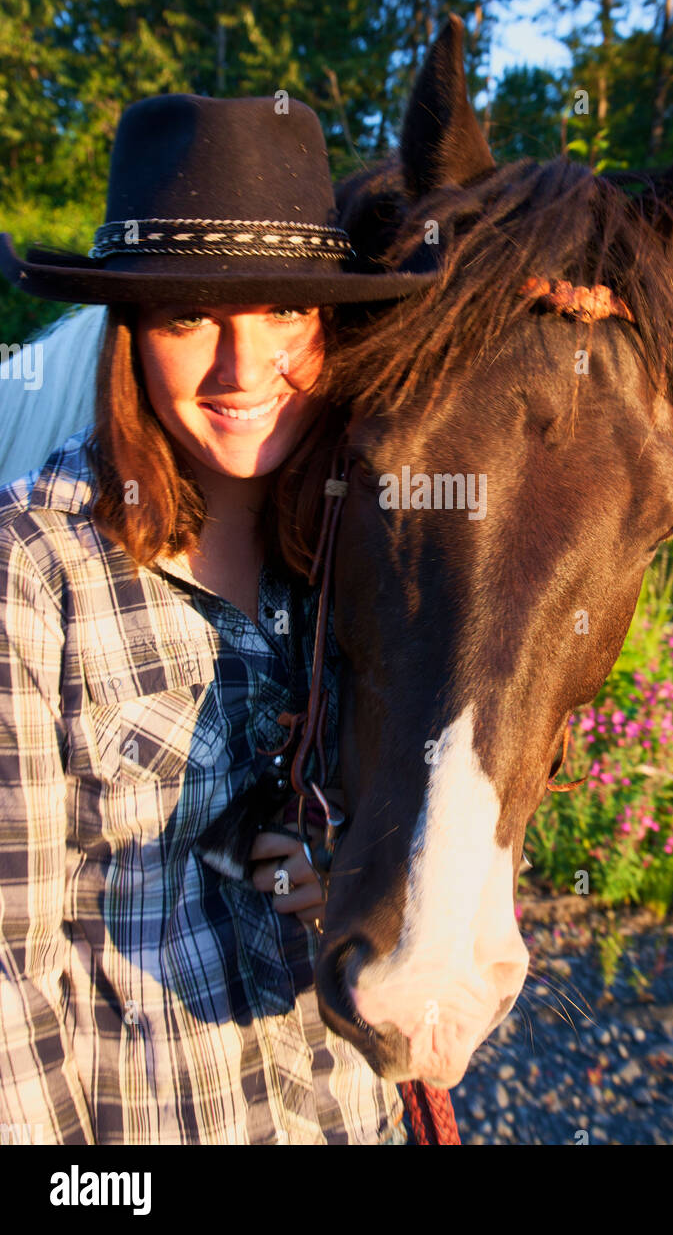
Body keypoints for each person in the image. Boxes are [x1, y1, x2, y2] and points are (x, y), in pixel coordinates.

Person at [0, 93, 435, 1144]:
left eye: (285, 313)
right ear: (130, 336)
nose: (247, 369)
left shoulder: (355, 562)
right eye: (190, 315)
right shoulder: (35, 572)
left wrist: (346, 873)